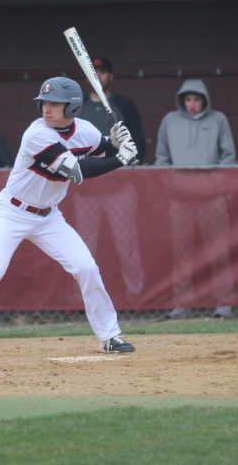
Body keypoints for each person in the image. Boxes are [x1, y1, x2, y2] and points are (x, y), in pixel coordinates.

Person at [0, 76, 139, 360]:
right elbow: (78, 172)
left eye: (54, 104)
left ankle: (109, 336)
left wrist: (115, 141)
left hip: (49, 218)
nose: (46, 109)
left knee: (86, 267)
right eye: (44, 103)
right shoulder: (37, 134)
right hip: (12, 212)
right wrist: (122, 159)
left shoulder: (84, 130)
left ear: (72, 108)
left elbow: (101, 148)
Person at [155, 78, 236, 318]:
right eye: (188, 99)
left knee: (218, 250)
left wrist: (213, 185)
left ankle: (224, 304)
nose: (192, 104)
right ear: (182, 100)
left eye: (196, 99)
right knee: (181, 253)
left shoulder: (218, 119)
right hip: (180, 199)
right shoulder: (169, 121)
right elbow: (161, 157)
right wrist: (174, 184)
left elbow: (229, 157)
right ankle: (181, 305)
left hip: (212, 199)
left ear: (204, 100)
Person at [75, 56, 146, 298]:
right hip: (86, 190)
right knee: (83, 248)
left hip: (119, 187)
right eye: (94, 72)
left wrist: (125, 154)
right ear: (87, 77)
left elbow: (138, 148)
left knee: (127, 247)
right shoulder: (77, 109)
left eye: (103, 72)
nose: (99, 76)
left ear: (111, 76)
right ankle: (81, 299)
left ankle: (137, 297)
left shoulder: (123, 106)